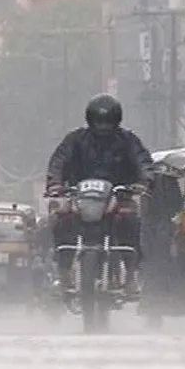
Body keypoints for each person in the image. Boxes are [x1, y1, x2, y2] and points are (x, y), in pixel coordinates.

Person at [45, 93, 153, 297]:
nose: (103, 126)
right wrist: (55, 184)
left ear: (116, 120)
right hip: (79, 197)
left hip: (119, 196)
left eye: (108, 122)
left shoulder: (128, 140)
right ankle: (64, 271)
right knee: (60, 219)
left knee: (130, 219)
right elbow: (58, 161)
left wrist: (144, 182)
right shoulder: (75, 140)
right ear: (90, 120)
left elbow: (143, 162)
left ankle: (130, 276)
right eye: (98, 121)